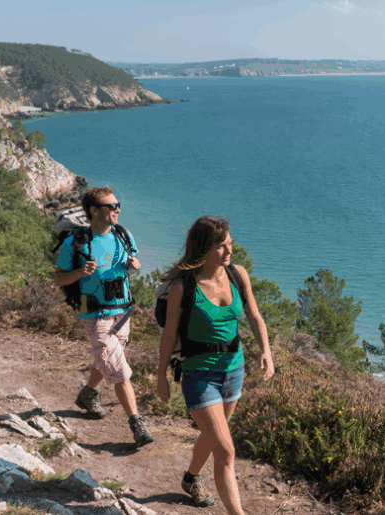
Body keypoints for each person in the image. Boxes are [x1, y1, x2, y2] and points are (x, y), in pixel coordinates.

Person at [157, 216, 275, 512]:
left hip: (234, 371)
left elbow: (255, 316)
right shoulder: (182, 289)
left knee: (212, 439)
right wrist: (160, 375)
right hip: (199, 377)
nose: (229, 251)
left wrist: (266, 351)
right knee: (226, 450)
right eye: (221, 246)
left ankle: (191, 478)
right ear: (203, 248)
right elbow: (170, 334)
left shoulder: (237, 275)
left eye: (230, 244)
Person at [53, 186, 154, 447]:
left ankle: (88, 394)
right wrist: (79, 273)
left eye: (117, 204)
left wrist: (135, 265)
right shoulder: (74, 243)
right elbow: (58, 277)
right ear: (94, 211)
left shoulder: (123, 234)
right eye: (112, 206)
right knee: (120, 370)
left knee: (107, 358)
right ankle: (137, 423)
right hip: (95, 314)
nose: (117, 209)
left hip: (122, 311)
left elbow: (132, 261)